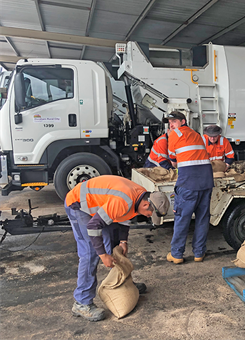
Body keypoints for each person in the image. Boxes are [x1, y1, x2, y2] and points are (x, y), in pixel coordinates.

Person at [65, 175, 169, 321]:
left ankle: (121, 283)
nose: (148, 216)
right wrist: (102, 255)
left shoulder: (140, 196)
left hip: (102, 205)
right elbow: (93, 226)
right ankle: (82, 302)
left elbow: (125, 218)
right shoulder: (124, 201)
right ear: (146, 205)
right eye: (149, 215)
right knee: (90, 253)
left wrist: (123, 241)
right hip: (78, 205)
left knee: (115, 246)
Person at [165, 111, 214, 264]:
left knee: (182, 218)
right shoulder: (197, 134)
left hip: (188, 183)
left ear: (182, 121)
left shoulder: (174, 134)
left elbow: (173, 161)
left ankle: (177, 254)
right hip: (206, 181)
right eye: (170, 122)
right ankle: (199, 253)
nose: (171, 125)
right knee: (202, 219)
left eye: (173, 121)